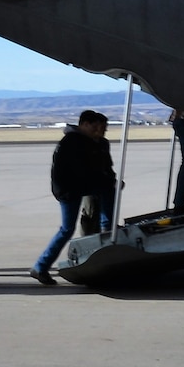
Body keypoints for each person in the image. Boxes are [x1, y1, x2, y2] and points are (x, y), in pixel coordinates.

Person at [31, 110, 116, 285]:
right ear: (84, 125)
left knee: (107, 189)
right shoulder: (72, 142)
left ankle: (106, 227)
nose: (100, 132)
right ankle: (40, 266)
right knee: (67, 229)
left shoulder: (100, 143)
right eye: (96, 128)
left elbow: (106, 167)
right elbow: (79, 170)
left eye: (103, 129)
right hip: (69, 188)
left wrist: (112, 180)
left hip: (85, 185)